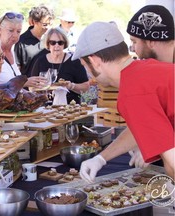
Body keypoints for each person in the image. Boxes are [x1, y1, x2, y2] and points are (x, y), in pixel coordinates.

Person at [71, 22, 174, 183]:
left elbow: (173, 161)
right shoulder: (144, 70)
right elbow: (140, 127)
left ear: (95, 60)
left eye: (85, 66)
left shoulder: (133, 91)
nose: (89, 74)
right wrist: (101, 158)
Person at [125, 4, 175, 168]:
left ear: (151, 41)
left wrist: (157, 148)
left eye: (134, 41)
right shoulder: (157, 72)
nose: (133, 48)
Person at [0, 12, 47, 89]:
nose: (15, 35)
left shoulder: (11, 51)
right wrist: (22, 83)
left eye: (18, 31)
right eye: (11, 30)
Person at [30, 27, 89, 104]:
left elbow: (86, 87)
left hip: (70, 108)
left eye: (60, 42)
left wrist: (71, 86)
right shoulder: (40, 61)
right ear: (48, 44)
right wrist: (41, 88)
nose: (56, 45)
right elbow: (31, 87)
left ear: (64, 44)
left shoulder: (74, 61)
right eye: (53, 42)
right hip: (45, 108)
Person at [14, 4, 54, 77]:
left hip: (49, 85)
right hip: (29, 86)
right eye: (45, 24)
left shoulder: (52, 39)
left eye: (50, 24)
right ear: (35, 22)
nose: (48, 27)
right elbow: (17, 69)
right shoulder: (21, 42)